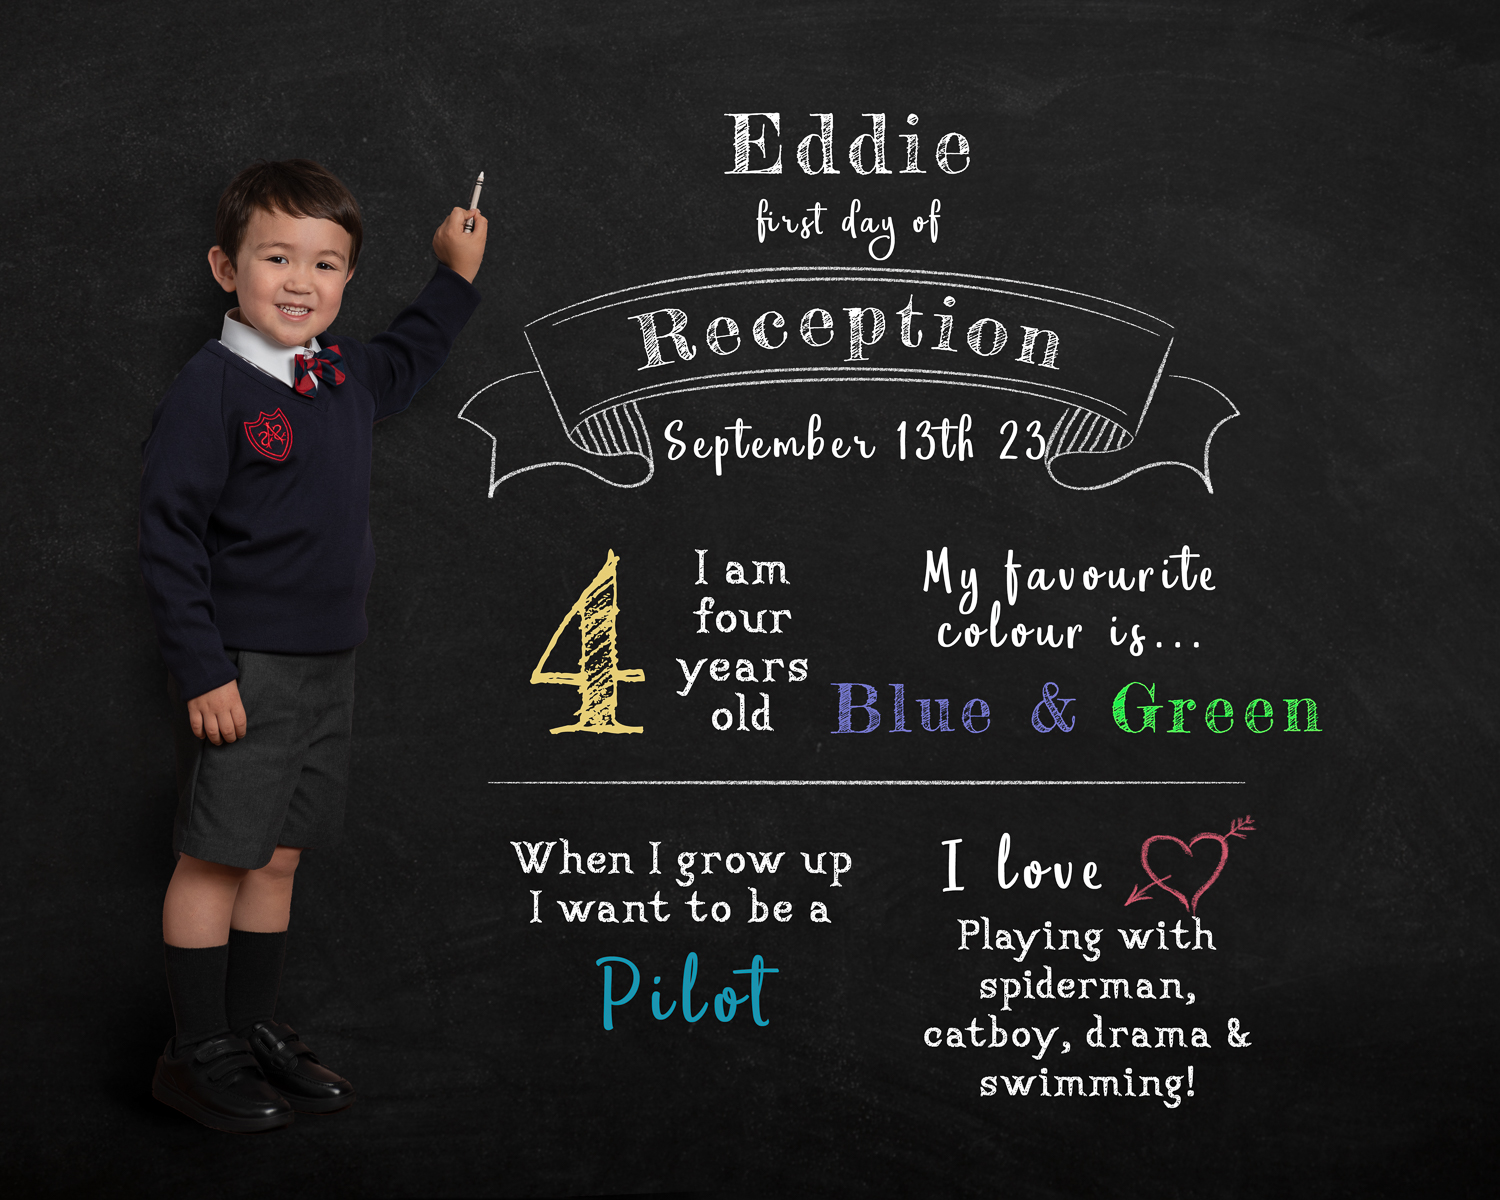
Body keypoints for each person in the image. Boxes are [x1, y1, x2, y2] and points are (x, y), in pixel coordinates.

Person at [138, 159, 486, 1132]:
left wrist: (453, 276)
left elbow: (413, 354)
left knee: (278, 857)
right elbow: (167, 538)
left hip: (330, 662)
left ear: (346, 278)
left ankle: (249, 1029)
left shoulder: (342, 376)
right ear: (225, 267)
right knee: (216, 855)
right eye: (277, 257)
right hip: (242, 670)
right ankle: (193, 1050)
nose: (301, 282)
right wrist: (204, 668)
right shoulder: (213, 389)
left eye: (326, 264)